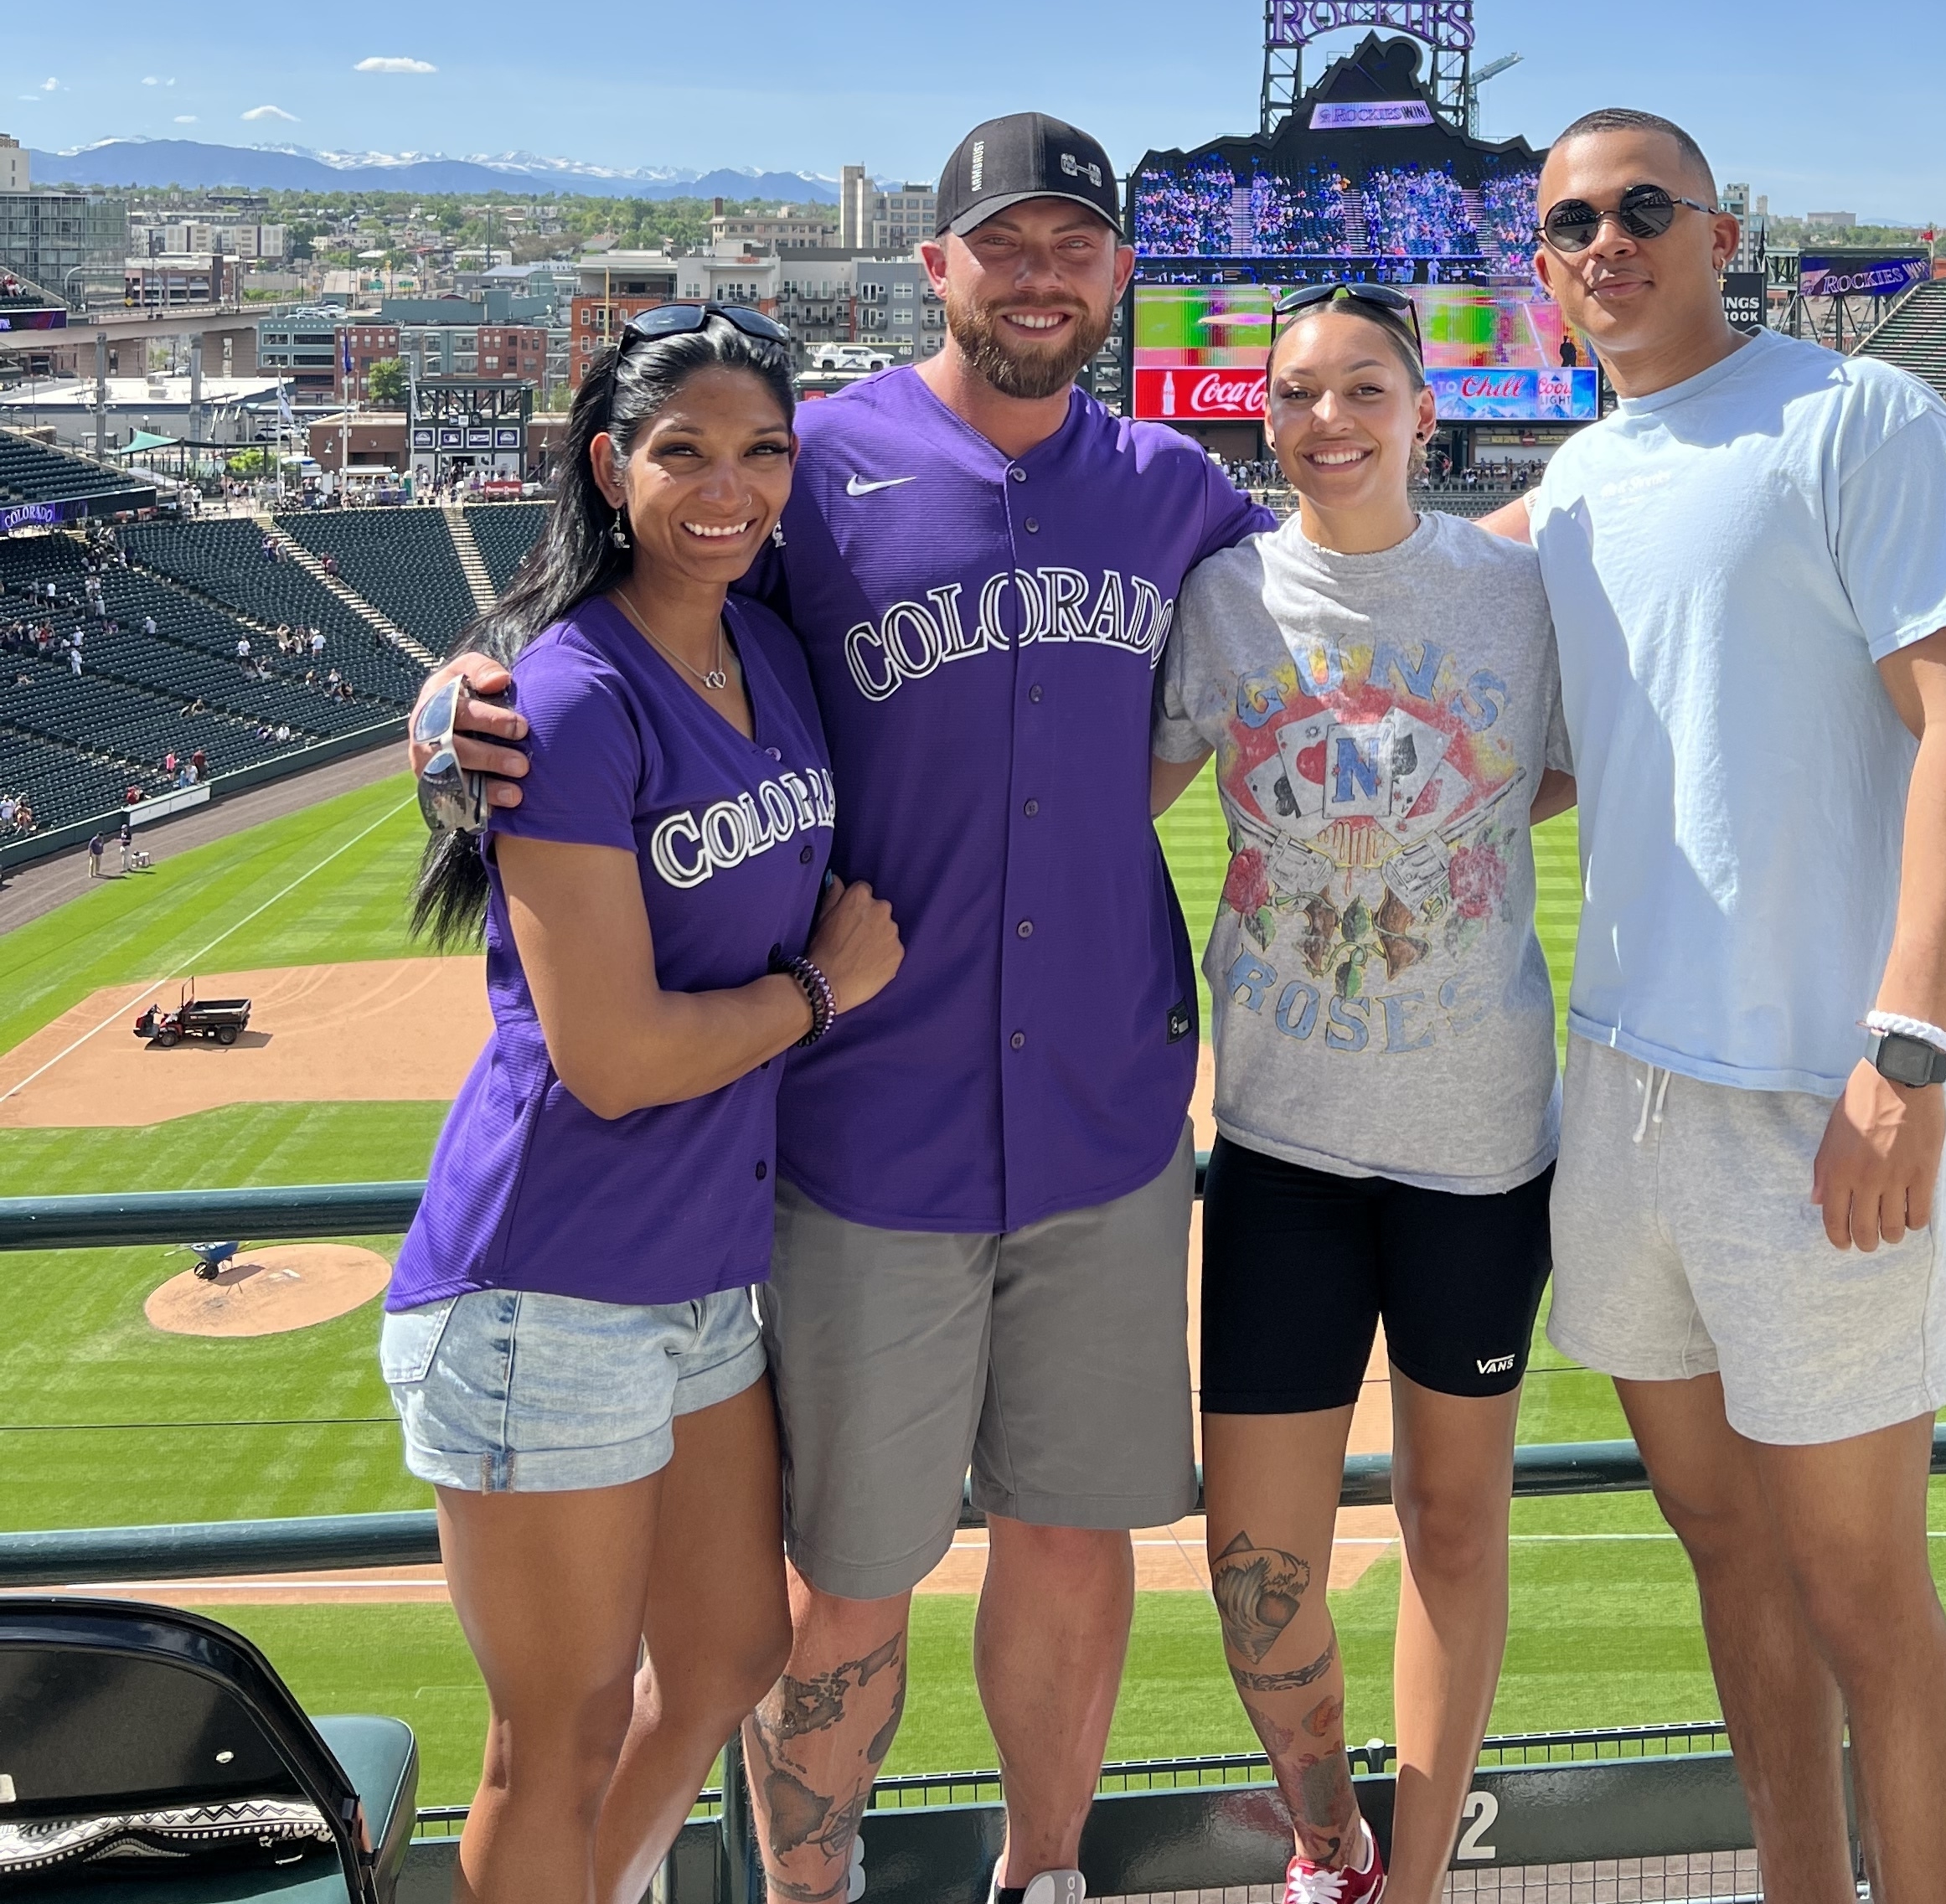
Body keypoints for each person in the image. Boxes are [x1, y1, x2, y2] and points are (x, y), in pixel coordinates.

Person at [410, 115, 1270, 1904]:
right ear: (936, 264)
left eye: (1075, 245)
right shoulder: (816, 463)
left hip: (1105, 1116)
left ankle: (1044, 1874)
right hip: (864, 1122)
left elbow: (1368, 563)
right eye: (1001, 242)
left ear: (1119, 273)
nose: (1039, 275)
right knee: (846, 1578)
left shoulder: (1176, 486)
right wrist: (449, 703)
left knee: (1067, 1535)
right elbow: (622, 600)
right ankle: (813, 1890)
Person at [1486, 111, 1946, 1904]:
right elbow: (1525, 718)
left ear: (1724, 233)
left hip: (1816, 1095)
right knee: (1726, 1553)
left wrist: (1907, 1054)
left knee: (1867, 1592)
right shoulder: (1580, 480)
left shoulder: (1857, 413)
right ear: (1544, 267)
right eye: (1572, 219)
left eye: (1646, 205)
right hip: (1622, 1090)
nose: (1608, 238)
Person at [383, 307, 903, 1904]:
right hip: (546, 1281)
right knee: (556, 1736)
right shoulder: (570, 696)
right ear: (613, 468)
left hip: (697, 1277)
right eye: (685, 451)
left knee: (733, 1645)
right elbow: (606, 1057)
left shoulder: (767, 649)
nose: (727, 488)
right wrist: (820, 992)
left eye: (762, 451)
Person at [1153, 286, 1571, 1904]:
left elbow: (1562, 764)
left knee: (1456, 1531)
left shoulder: (1513, 593)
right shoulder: (1224, 598)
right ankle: (1331, 1834)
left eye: (1363, 389)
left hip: (1478, 1154)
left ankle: (1422, 1868)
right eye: (1296, 392)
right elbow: (1106, 790)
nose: (1327, 419)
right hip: (1283, 1148)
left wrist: (1443, 836)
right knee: (1256, 1573)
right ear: (1261, 413)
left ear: (1421, 409)